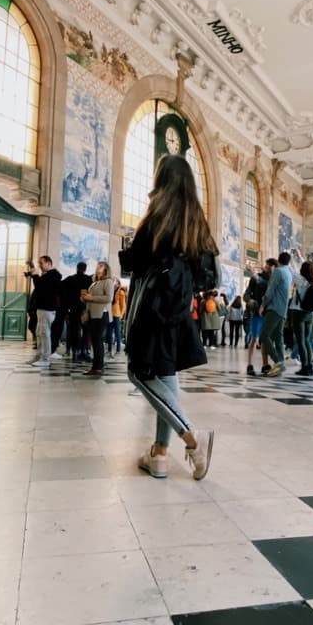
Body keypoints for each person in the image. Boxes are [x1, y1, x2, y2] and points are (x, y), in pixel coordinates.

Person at [122, 155, 219, 481]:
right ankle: (159, 455)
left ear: (161, 178)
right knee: (166, 376)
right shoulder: (196, 221)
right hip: (179, 312)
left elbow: (135, 262)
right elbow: (209, 276)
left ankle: (192, 437)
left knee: (139, 373)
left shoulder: (158, 216)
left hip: (150, 310)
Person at [260, 251, 292, 376]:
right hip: (283, 310)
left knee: (264, 335)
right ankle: (281, 364)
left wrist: (263, 305)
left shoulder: (278, 271)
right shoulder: (288, 272)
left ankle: (278, 362)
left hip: (274, 308)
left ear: (278, 261)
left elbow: (270, 291)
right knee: (278, 338)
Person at [81, 261, 113, 376]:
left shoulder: (108, 281)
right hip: (92, 315)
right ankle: (96, 366)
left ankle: (98, 367)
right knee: (95, 341)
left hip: (101, 314)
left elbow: (108, 298)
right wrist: (84, 297)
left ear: (105, 269)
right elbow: (90, 298)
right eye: (97, 265)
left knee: (98, 341)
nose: (98, 266)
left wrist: (92, 297)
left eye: (101, 265)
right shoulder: (95, 282)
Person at [29, 255, 62, 367]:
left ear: (49, 263)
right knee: (39, 333)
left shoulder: (53, 276)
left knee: (44, 334)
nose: (40, 266)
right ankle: (39, 356)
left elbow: (40, 288)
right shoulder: (48, 275)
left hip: (47, 309)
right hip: (42, 308)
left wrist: (35, 275)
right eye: (39, 263)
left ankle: (45, 358)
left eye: (41, 263)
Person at [290, 260, 313, 376]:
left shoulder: (300, 280)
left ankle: (305, 367)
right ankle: (309, 366)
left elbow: (290, 270)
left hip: (298, 312)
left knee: (300, 341)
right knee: (307, 340)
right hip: (310, 314)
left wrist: (292, 259)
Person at [62, 262, 92, 362]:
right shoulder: (89, 279)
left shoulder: (70, 279)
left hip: (73, 309)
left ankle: (74, 352)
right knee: (86, 331)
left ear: (77, 268)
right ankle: (83, 351)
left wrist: (66, 308)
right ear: (85, 269)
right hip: (85, 309)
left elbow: (62, 291)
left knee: (74, 331)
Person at [243, 266, 268, 374]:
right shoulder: (256, 279)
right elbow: (246, 295)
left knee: (265, 340)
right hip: (258, 312)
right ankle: (249, 364)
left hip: (268, 313)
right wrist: (250, 300)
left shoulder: (273, 279)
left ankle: (265, 364)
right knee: (254, 338)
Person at [107, 279, 126, 357]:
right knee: (109, 332)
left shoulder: (120, 292)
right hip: (110, 314)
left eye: (115, 282)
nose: (114, 283)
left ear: (118, 284)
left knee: (118, 333)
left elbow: (123, 305)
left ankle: (118, 350)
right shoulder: (111, 291)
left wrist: (121, 315)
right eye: (113, 281)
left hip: (117, 315)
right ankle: (109, 349)